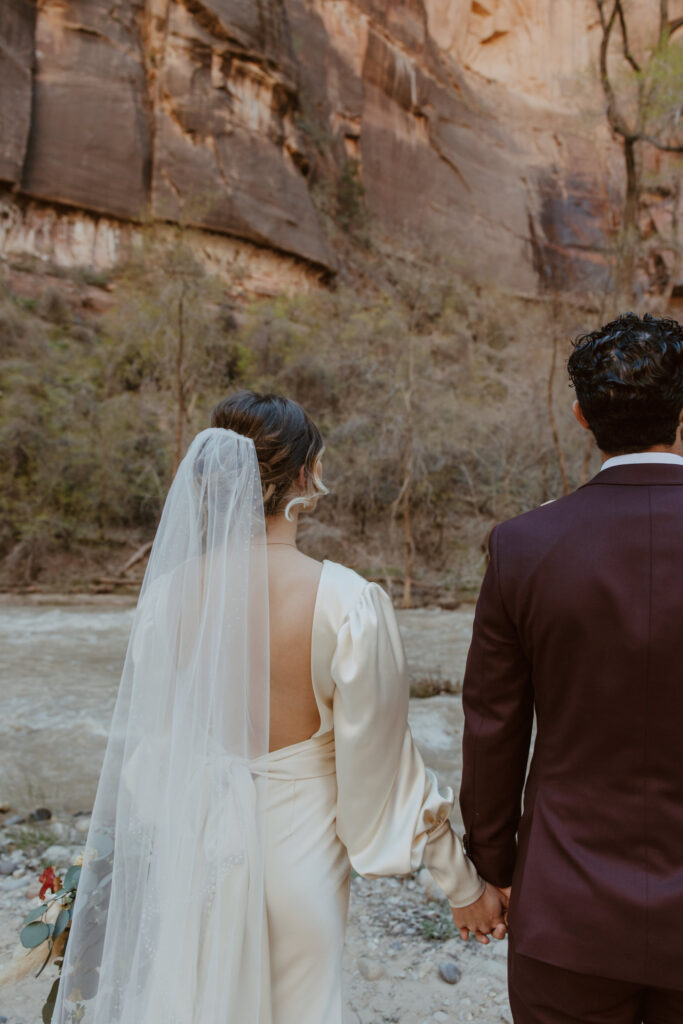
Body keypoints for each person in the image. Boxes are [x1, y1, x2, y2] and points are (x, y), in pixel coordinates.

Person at [52, 390, 505, 1024]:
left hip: (196, 854)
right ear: (301, 476)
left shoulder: (166, 600)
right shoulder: (346, 602)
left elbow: (153, 753)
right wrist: (466, 887)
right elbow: (383, 773)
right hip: (298, 868)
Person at [459, 312, 683, 1023]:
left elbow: (492, 727)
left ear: (583, 417)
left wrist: (491, 868)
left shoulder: (522, 547)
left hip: (567, 908)